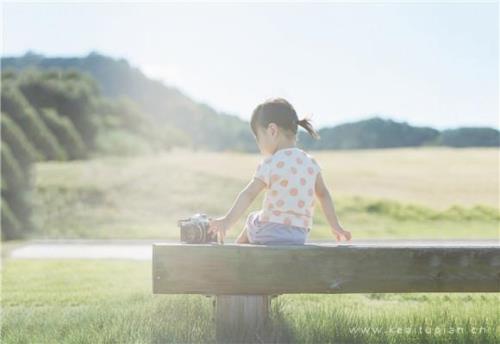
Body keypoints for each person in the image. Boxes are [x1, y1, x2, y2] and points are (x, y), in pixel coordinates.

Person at [208, 97, 351, 245]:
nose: (259, 144)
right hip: (299, 235)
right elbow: (324, 194)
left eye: (258, 137)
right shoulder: (310, 163)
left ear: (272, 131)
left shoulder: (271, 162)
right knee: (257, 219)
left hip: (269, 231)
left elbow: (249, 194)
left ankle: (239, 254)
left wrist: (227, 221)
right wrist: (335, 226)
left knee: (252, 219)